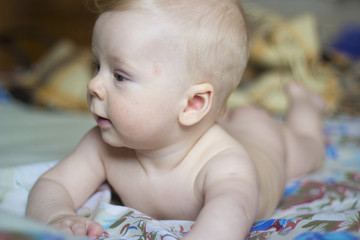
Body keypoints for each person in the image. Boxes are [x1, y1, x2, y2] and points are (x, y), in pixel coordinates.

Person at [26, 0, 325, 239]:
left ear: (193, 103)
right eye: (96, 66)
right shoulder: (101, 146)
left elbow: (226, 221)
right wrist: (57, 216)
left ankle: (305, 106)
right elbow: (55, 183)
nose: (93, 85)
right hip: (214, 124)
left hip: (262, 140)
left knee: (306, 149)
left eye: (119, 75)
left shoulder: (226, 166)